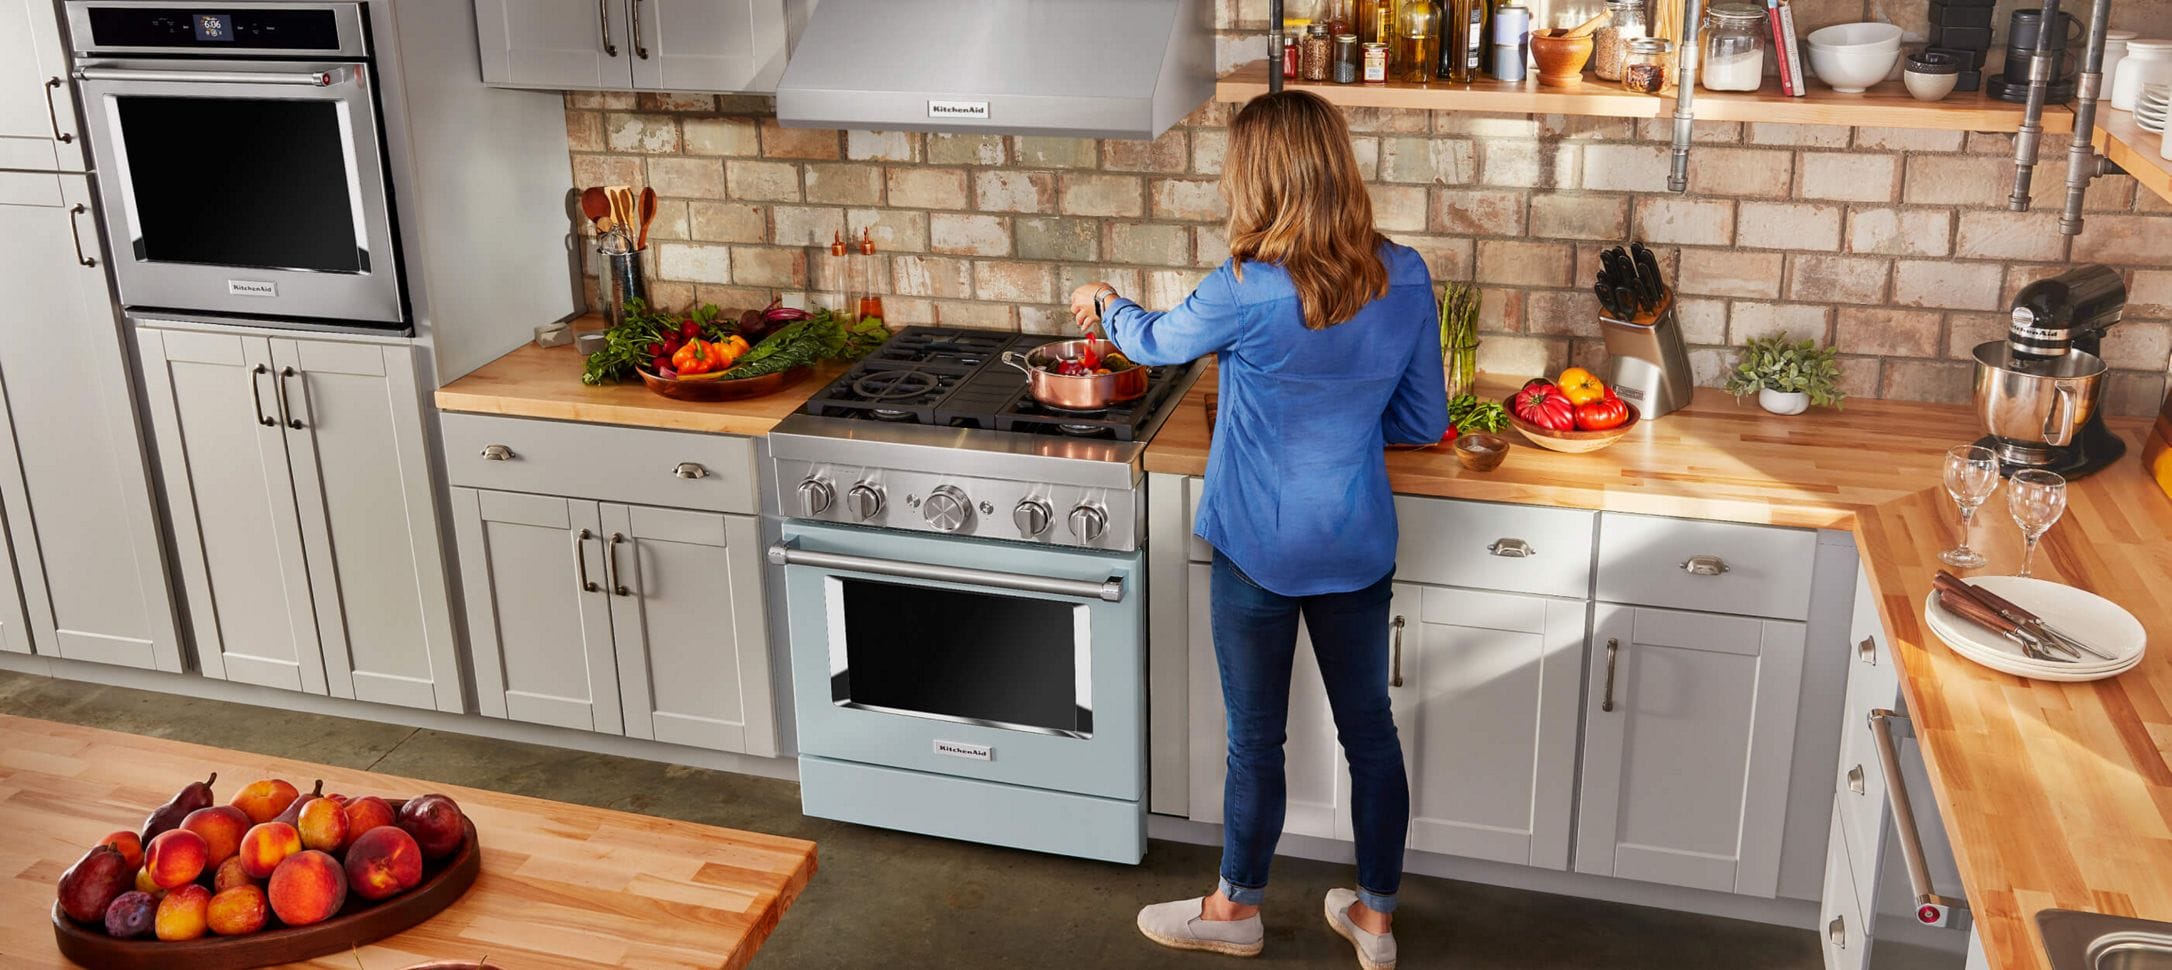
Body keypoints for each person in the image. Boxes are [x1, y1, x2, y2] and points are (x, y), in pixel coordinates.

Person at [1069, 90, 1447, 970]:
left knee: (1254, 740)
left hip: (1259, 552)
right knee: (1371, 734)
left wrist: (1104, 300)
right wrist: (1347, 416)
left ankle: (1235, 909)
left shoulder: (1244, 289)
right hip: (1355, 544)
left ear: (1260, 179)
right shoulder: (1407, 273)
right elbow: (1424, 418)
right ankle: (1377, 921)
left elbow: (1154, 343)